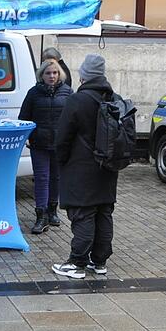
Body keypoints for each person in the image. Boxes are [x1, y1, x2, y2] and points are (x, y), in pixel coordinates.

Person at [52, 54, 118, 279]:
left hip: (80, 169)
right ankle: (99, 262)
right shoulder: (113, 98)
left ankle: (77, 262)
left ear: (84, 75)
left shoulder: (77, 100)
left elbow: (63, 137)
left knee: (83, 214)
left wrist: (60, 161)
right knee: (103, 212)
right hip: (107, 168)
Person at [18, 59, 72, 235]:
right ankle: (41, 215)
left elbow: (73, 118)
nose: (52, 76)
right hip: (39, 143)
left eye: (55, 73)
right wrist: (29, 136)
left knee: (56, 177)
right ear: (42, 75)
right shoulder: (33, 93)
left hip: (59, 143)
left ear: (60, 74)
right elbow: (24, 117)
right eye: (48, 73)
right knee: (41, 178)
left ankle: (53, 211)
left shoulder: (68, 92)